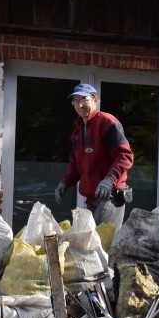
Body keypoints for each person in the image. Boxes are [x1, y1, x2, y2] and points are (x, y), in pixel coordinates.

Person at [54, 83, 133, 230]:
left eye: (84, 100)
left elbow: (125, 156)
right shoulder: (77, 132)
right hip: (91, 199)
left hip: (110, 196)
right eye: (76, 101)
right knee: (90, 245)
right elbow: (74, 165)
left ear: (95, 100)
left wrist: (109, 180)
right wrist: (65, 182)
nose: (80, 105)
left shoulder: (107, 122)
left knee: (101, 244)